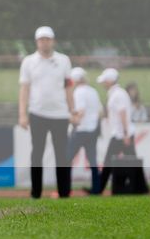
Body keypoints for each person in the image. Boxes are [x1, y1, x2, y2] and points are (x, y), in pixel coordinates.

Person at [17, 24, 74, 199]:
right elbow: (24, 89)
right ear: (36, 42)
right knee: (37, 154)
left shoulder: (64, 60)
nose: (44, 43)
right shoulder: (28, 62)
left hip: (60, 114)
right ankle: (36, 192)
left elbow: (68, 87)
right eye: (41, 40)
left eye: (47, 39)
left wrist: (73, 110)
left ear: (53, 41)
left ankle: (64, 192)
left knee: (62, 155)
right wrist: (22, 114)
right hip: (37, 113)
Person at [69, 67, 104, 196]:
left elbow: (80, 111)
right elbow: (101, 111)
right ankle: (96, 188)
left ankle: (64, 188)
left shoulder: (79, 92)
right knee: (93, 160)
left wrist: (71, 120)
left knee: (67, 159)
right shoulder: (93, 91)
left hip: (81, 130)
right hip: (93, 130)